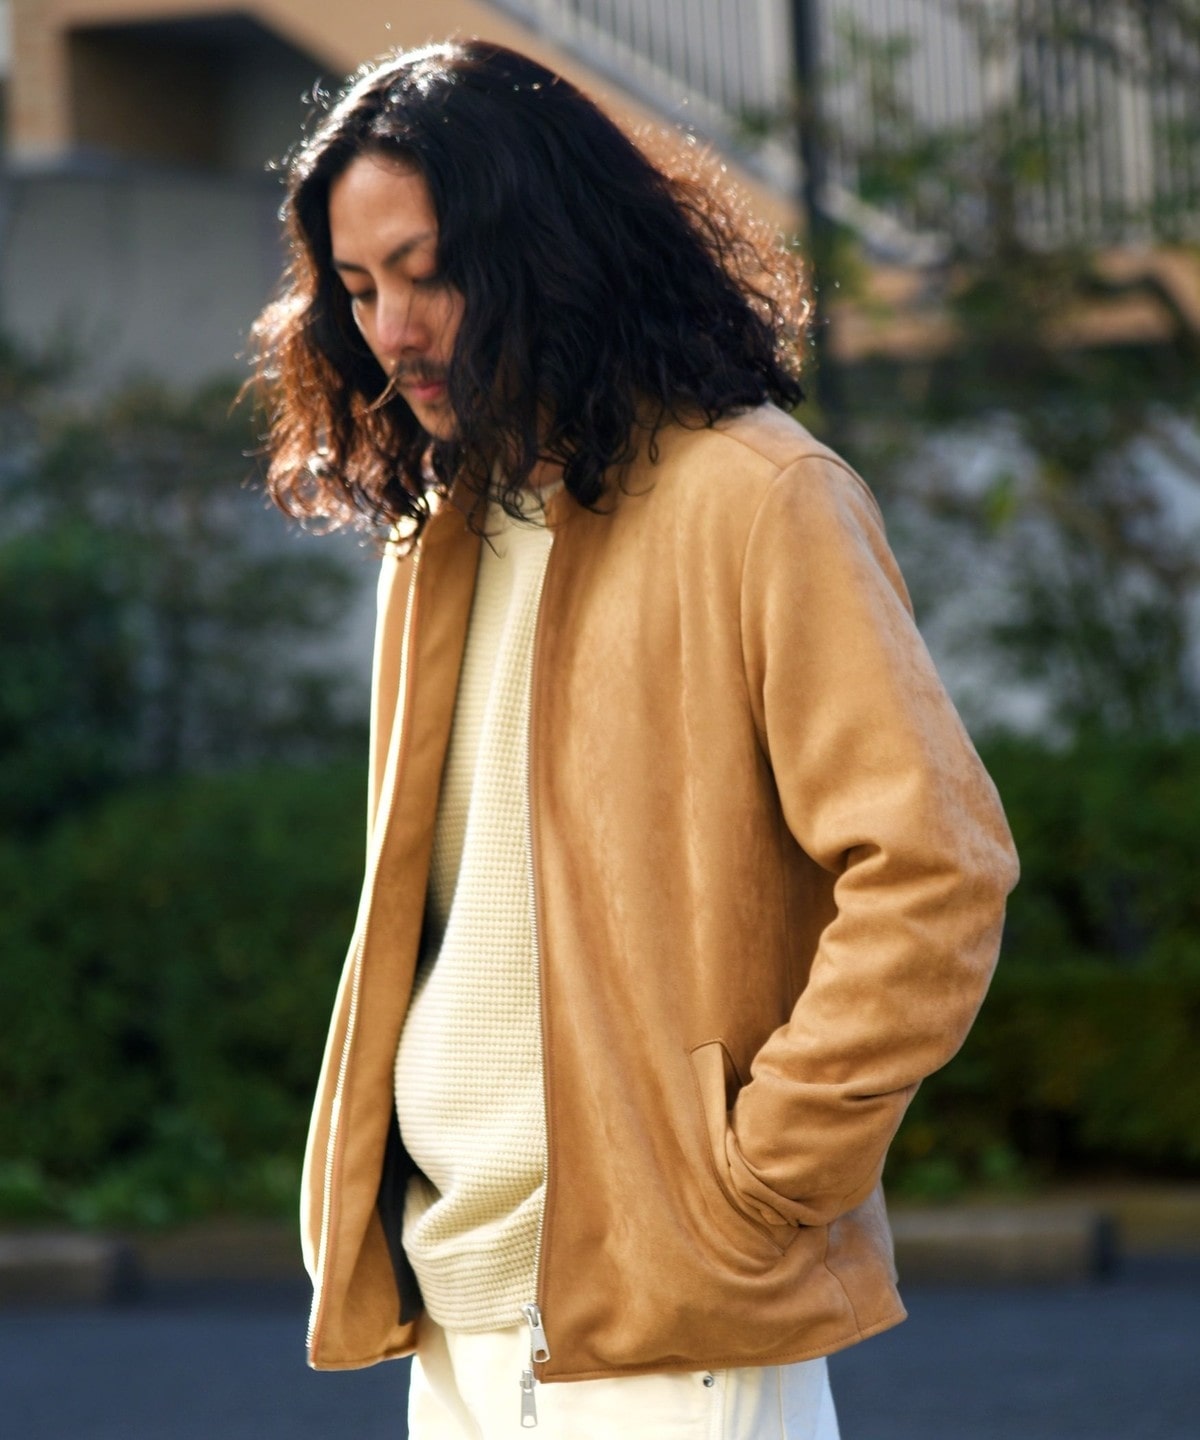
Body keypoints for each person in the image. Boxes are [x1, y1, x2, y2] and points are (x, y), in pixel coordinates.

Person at [250, 38, 1018, 1440]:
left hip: (673, 1326)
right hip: (453, 1306)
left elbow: (937, 868)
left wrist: (761, 1178)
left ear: (548, 248)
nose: (394, 330)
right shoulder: (439, 538)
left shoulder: (757, 498)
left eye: (429, 271)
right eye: (358, 289)